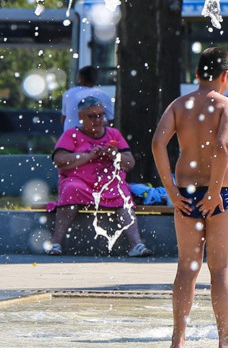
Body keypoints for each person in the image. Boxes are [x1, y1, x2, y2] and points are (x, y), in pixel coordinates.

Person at [150, 47, 228, 348]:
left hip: (186, 194)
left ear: (198, 73)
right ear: (225, 76)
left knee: (187, 268)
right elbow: (222, 146)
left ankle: (178, 341)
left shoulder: (179, 105)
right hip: (221, 196)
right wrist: (215, 191)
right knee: (220, 269)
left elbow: (157, 143)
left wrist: (170, 190)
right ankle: (225, 342)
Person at [46, 97, 150, 257]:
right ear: (81, 116)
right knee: (70, 189)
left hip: (109, 184)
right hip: (80, 183)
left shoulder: (113, 134)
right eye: (92, 116)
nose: (98, 120)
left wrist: (115, 156)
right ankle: (56, 243)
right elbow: (59, 160)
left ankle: (136, 244)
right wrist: (88, 156)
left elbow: (130, 163)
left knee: (123, 192)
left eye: (101, 115)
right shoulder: (71, 134)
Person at [60, 66, 114, 132]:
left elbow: (64, 118)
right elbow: (110, 120)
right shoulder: (103, 95)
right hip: (94, 138)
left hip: (71, 137)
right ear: (95, 79)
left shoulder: (68, 93)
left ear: (79, 78)